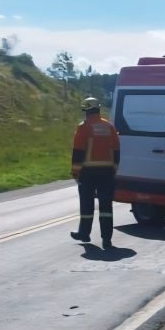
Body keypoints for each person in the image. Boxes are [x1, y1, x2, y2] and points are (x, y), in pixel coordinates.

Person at [70, 97, 120, 249]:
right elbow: (116, 150)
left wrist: (75, 172)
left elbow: (78, 151)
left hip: (88, 172)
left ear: (87, 111)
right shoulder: (109, 127)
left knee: (87, 205)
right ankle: (107, 239)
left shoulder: (84, 127)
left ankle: (84, 233)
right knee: (106, 207)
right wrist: (114, 169)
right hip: (107, 172)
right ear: (98, 109)